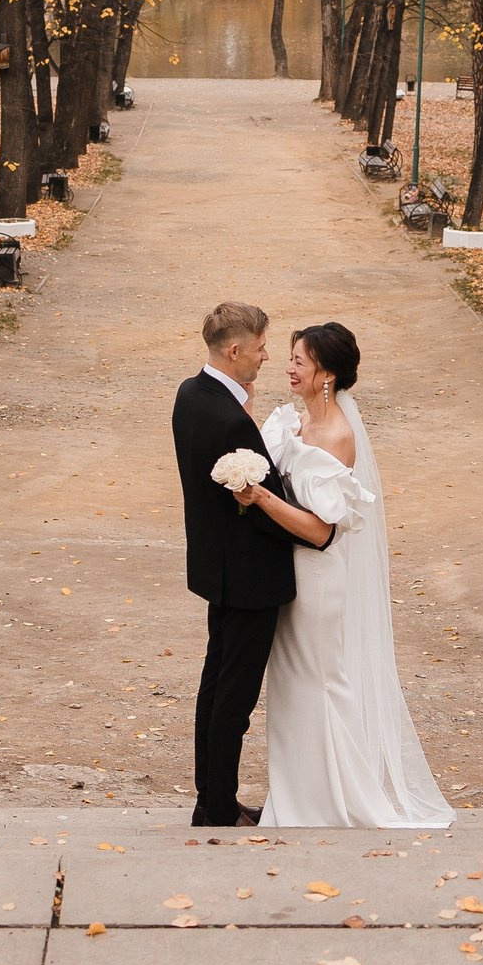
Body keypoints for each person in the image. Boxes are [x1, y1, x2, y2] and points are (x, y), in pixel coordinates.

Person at [231, 322, 452, 829]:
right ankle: (298, 800)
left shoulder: (336, 437)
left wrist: (259, 496)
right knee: (291, 689)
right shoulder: (290, 424)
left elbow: (319, 530)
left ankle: (332, 802)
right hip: (288, 575)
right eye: (288, 357)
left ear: (326, 374)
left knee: (320, 684)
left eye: (299, 361)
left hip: (316, 579)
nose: (289, 367)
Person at [171, 301, 324, 827]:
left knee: (215, 686)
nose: (266, 357)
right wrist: (311, 527)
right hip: (249, 577)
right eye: (260, 348)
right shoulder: (226, 416)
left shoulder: (192, 395)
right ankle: (217, 810)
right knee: (233, 701)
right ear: (234, 350)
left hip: (217, 568)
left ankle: (210, 798)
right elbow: (256, 506)